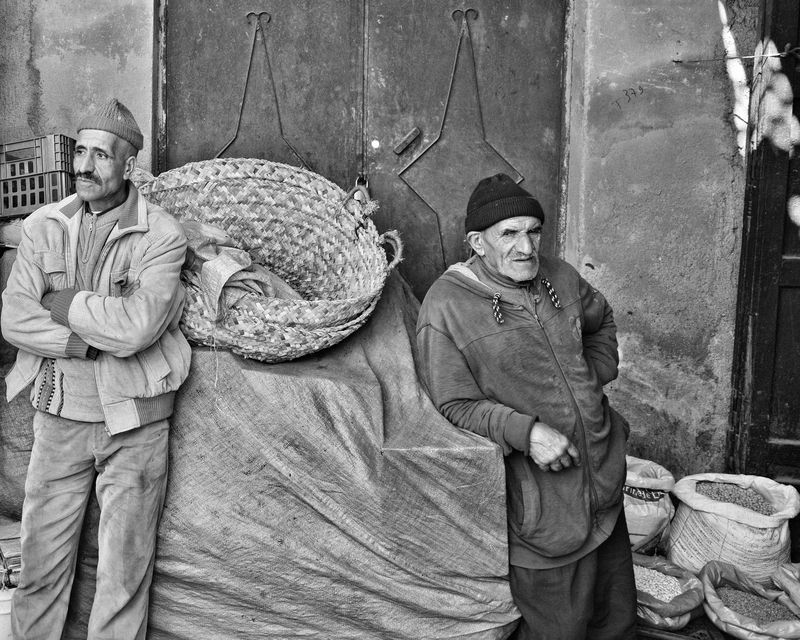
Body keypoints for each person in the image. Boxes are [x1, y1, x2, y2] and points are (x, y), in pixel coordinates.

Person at [1, 98, 191, 639]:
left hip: (134, 423)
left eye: (100, 156)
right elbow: (14, 318)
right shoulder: (44, 225)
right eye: (80, 152)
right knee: (39, 568)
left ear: (128, 165)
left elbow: (137, 328)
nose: (83, 166)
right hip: (59, 416)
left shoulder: (162, 235)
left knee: (123, 575)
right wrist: (79, 343)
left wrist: (62, 303)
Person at [416, 174, 636, 639]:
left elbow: (601, 320)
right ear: (478, 242)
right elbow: (454, 404)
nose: (526, 247)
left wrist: (590, 375)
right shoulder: (447, 306)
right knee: (562, 629)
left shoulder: (559, 276)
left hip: (603, 486)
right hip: (541, 506)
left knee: (616, 623)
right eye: (509, 234)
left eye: (534, 231)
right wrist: (527, 432)